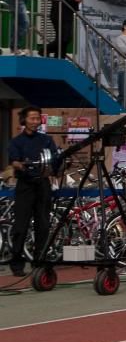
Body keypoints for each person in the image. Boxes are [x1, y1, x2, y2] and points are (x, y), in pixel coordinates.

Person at [7, 106, 60, 276]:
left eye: (37, 118)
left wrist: (59, 164)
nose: (35, 122)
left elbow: (55, 160)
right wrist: (18, 164)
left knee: (43, 226)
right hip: (25, 186)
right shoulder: (16, 142)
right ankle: (17, 264)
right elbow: (14, 160)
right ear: (24, 120)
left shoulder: (46, 140)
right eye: (31, 118)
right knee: (20, 227)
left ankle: (40, 261)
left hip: (43, 186)